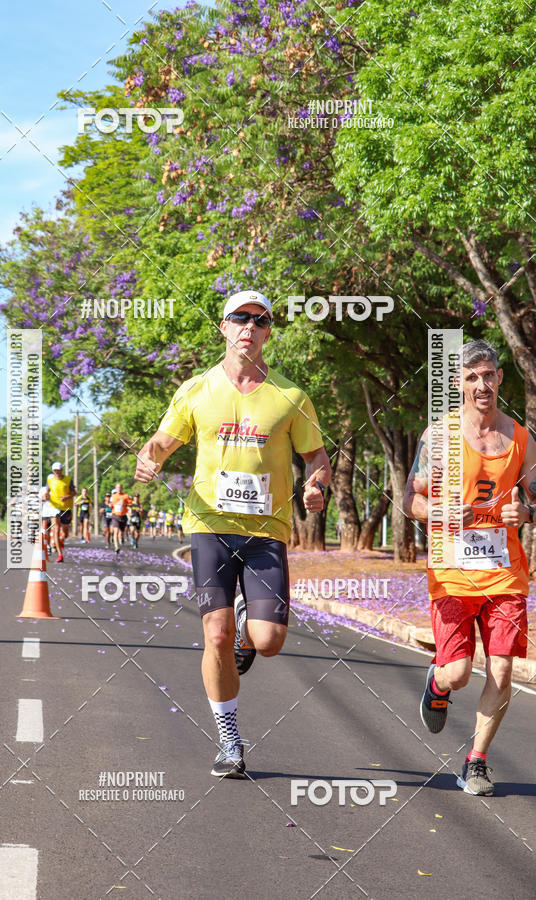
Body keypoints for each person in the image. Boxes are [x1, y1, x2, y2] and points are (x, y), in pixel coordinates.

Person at [135, 289, 330, 778]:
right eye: (240, 318)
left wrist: (316, 486)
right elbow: (165, 439)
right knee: (214, 635)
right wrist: (150, 456)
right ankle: (229, 742)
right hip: (209, 527)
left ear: (268, 332)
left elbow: (317, 458)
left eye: (260, 321)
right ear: (223, 327)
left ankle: (250, 625)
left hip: (267, 533)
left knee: (268, 642)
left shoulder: (291, 397)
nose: (250, 327)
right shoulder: (196, 390)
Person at [403, 339, 536, 796]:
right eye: (471, 377)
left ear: (501, 378)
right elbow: (410, 500)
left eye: (489, 375)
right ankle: (437, 684)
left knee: (501, 672)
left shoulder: (520, 438)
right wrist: (438, 513)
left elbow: (535, 493)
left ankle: (476, 762)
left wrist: (529, 513)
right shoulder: (438, 438)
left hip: (505, 574)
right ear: (459, 385)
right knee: (459, 672)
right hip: (452, 573)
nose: (482, 384)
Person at [47, 461, 76, 562]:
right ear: (53, 471)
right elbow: (47, 492)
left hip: (66, 508)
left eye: (58, 470)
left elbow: (74, 492)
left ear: (62, 470)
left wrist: (67, 496)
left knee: (65, 532)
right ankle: (60, 554)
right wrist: (45, 496)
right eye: (55, 471)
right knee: (56, 529)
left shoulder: (68, 480)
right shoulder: (50, 480)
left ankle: (62, 539)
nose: (57, 472)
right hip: (54, 507)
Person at [110, 483, 131, 554]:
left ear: (122, 488)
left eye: (120, 487)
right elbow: (110, 504)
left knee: (121, 532)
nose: (119, 489)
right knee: (115, 531)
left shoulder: (125, 496)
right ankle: (116, 547)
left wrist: (124, 504)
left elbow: (131, 504)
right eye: (117, 488)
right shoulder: (113, 496)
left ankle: (121, 537)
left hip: (123, 516)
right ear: (115, 489)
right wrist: (110, 505)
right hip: (115, 515)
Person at [39, 485, 55, 553]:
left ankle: (53, 544)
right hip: (45, 513)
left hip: (54, 512)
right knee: (46, 531)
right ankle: (48, 545)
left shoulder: (56, 488)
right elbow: (39, 498)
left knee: (55, 529)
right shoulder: (43, 489)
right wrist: (44, 497)